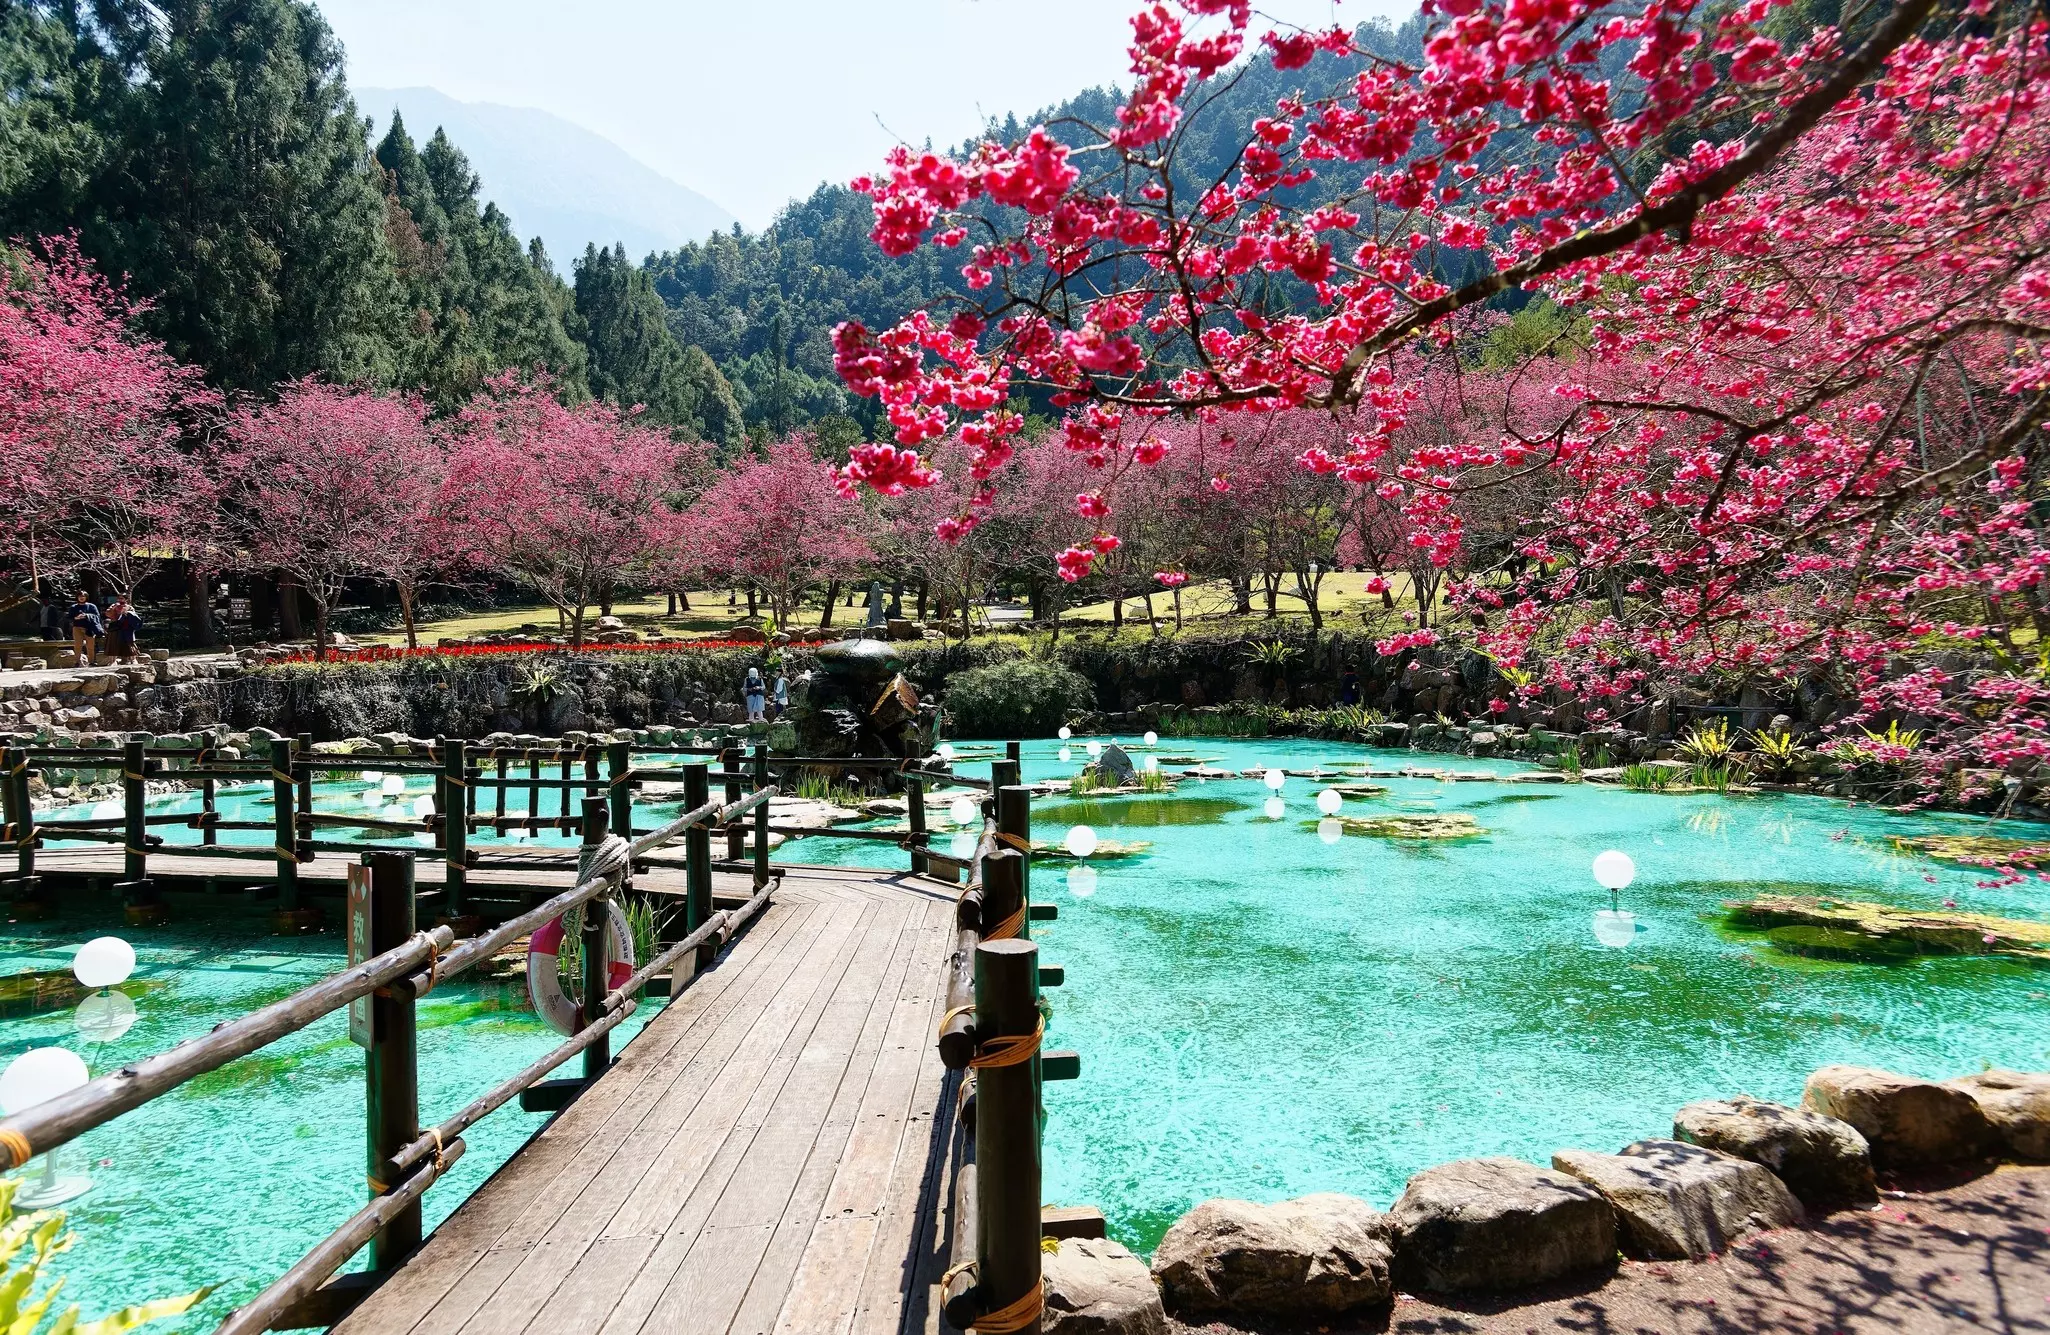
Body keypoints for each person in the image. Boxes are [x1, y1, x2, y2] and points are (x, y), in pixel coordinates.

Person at [66, 590, 102, 664]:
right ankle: (77, 662)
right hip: (77, 627)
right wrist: (75, 618)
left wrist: (87, 616)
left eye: (83, 596)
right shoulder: (74, 607)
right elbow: (69, 617)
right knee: (78, 645)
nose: (81, 598)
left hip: (89, 628)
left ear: (86, 597)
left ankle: (91, 661)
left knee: (90, 645)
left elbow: (97, 616)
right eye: (80, 596)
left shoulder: (92, 606)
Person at [105, 597, 143, 663]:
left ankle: (133, 660)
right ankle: (112, 661)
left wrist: (126, 612)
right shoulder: (113, 606)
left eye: (122, 598)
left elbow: (133, 617)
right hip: (115, 627)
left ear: (126, 599)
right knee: (113, 644)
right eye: (119, 598)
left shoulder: (129, 607)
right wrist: (113, 609)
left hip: (127, 628)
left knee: (130, 644)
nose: (120, 600)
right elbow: (108, 614)